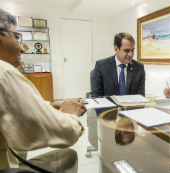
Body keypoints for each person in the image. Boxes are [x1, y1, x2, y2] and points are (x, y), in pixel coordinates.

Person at [0, 9, 87, 172]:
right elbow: (66, 134)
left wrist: (51, 105)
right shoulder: (4, 72)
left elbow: (19, 107)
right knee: (68, 155)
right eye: (17, 37)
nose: (22, 48)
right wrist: (71, 114)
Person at [91, 32, 145, 97]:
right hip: (109, 106)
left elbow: (141, 96)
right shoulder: (101, 66)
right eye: (127, 50)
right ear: (116, 49)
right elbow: (96, 97)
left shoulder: (139, 67)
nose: (131, 54)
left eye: (132, 50)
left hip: (131, 106)